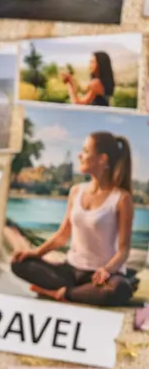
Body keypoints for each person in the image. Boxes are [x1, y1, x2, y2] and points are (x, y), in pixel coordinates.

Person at [11, 130, 135, 306]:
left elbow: (124, 250)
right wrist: (35, 253)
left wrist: (107, 269)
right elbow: (62, 235)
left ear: (102, 159)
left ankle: (61, 293)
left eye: (85, 150)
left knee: (119, 289)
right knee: (19, 263)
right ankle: (77, 292)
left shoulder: (122, 199)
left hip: (100, 276)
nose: (79, 155)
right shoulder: (76, 191)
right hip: (69, 270)